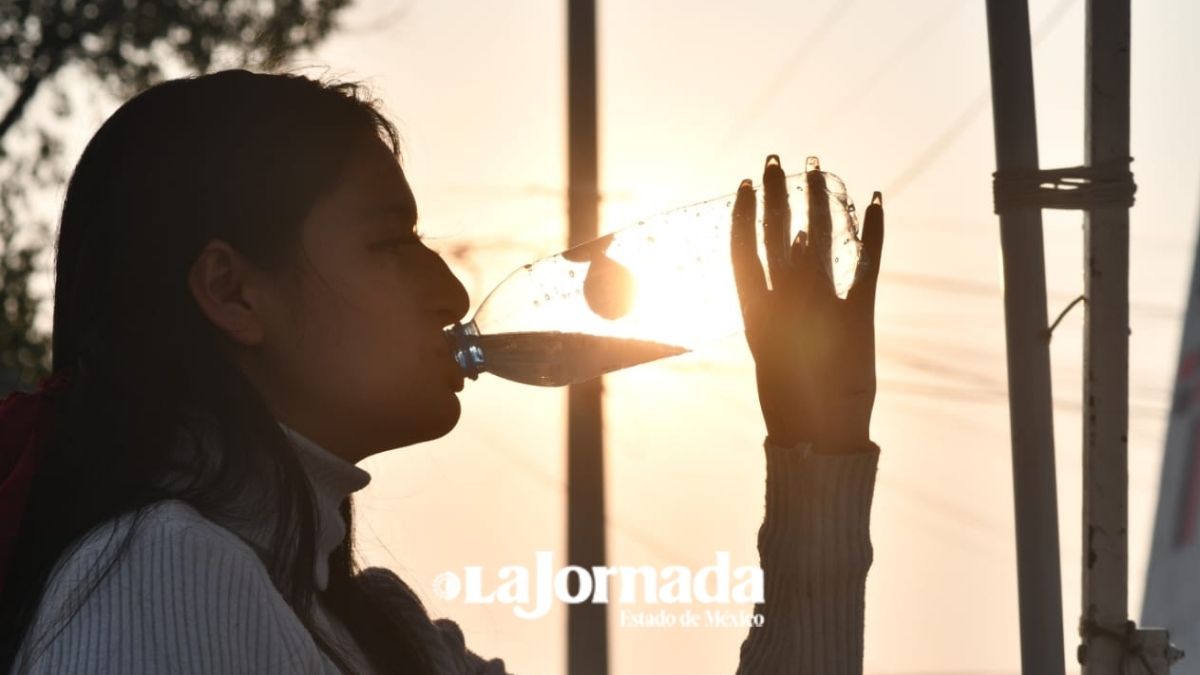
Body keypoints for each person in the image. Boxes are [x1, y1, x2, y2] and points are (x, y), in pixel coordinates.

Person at [0, 70, 883, 674]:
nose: (450, 288)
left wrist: (818, 449)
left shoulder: (376, 628)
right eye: (391, 242)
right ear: (233, 293)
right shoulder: (162, 572)